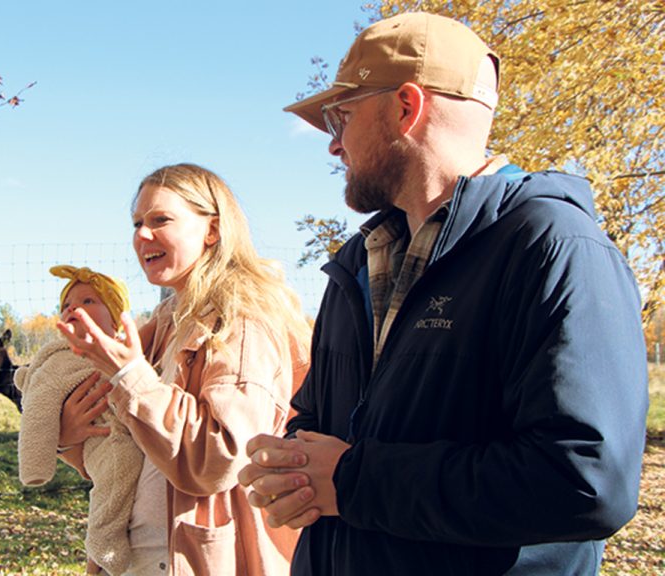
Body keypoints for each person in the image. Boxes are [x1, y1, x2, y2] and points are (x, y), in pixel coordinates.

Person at [237, 11, 649, 576]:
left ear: (406, 107)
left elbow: (585, 483)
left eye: (341, 118)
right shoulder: (359, 261)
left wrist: (353, 481)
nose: (334, 146)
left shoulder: (552, 246)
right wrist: (292, 463)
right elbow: (319, 417)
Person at [57, 163, 312, 575]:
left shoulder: (242, 319)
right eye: (137, 222)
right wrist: (69, 436)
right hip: (140, 556)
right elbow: (127, 451)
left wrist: (129, 376)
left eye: (161, 220)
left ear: (211, 230)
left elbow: (221, 456)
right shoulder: (165, 320)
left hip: (199, 560)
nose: (142, 235)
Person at [13, 265, 143, 575]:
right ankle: (103, 542)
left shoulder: (131, 350)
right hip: (104, 440)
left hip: (134, 434)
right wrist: (38, 462)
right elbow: (39, 408)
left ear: (115, 319)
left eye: (88, 302)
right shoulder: (61, 358)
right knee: (118, 468)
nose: (73, 308)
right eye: (66, 305)